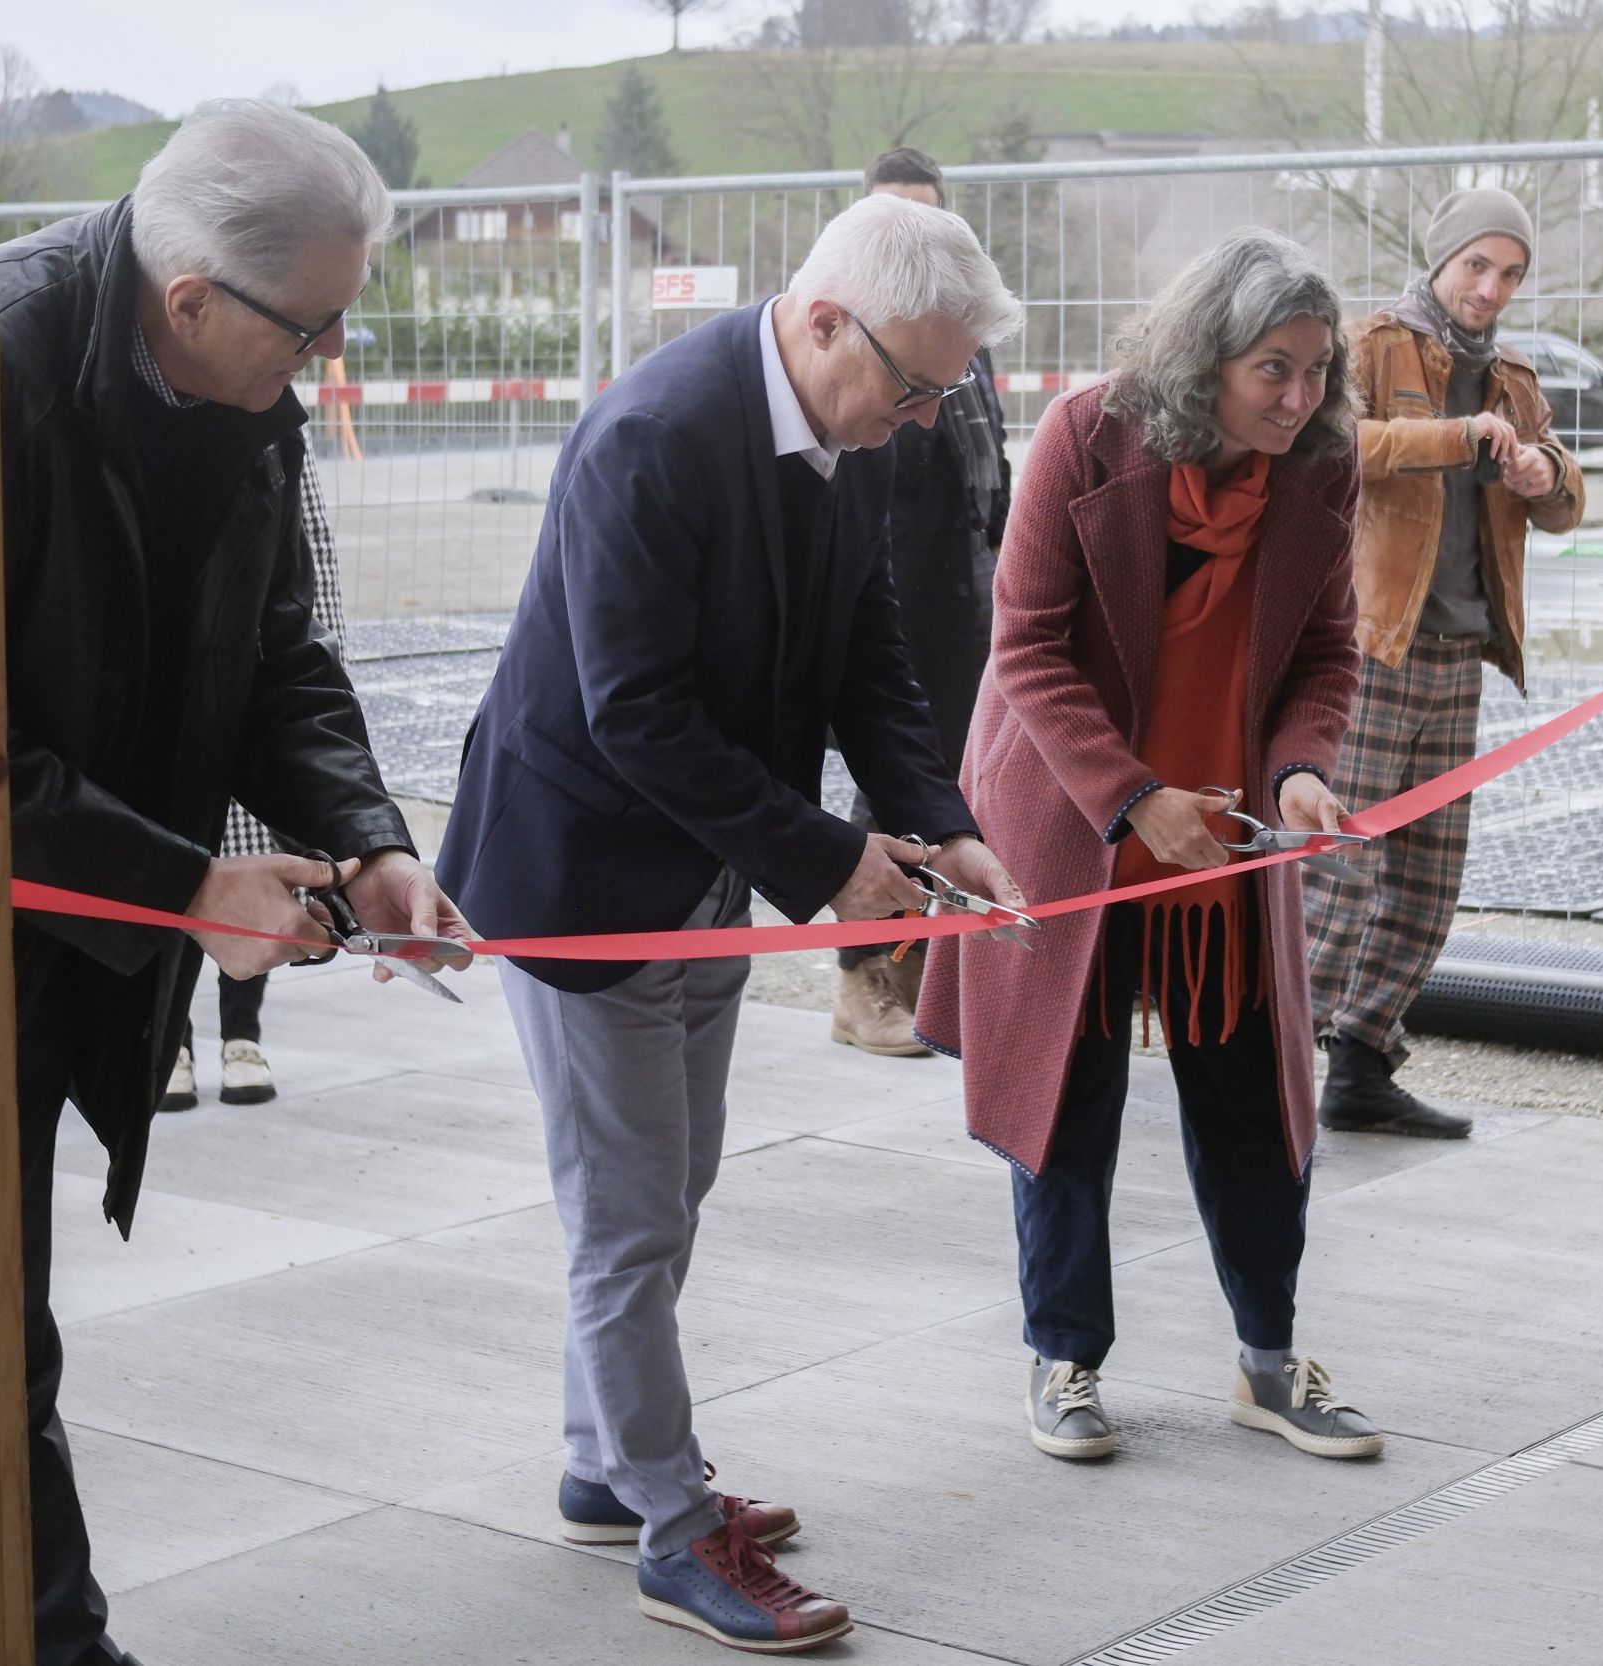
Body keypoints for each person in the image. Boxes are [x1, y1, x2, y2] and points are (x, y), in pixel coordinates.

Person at [434, 193, 1026, 1653]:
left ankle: (605, 1458)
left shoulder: (853, 434)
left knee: (670, 1180)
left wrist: (939, 819)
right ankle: (671, 1526)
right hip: (584, 878)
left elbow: (866, 653)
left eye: (945, 389)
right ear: (825, 318)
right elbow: (633, 709)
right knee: (627, 1216)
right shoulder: (653, 438)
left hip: (706, 867)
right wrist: (831, 862)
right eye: (911, 382)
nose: (923, 414)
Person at [0, 100, 471, 1666]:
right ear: (190, 298)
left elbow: (283, 654)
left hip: (87, 930)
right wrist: (184, 880)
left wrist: (374, 838)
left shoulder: (239, 393)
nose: (325, 364)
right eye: (313, 329)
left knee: (0, 1325)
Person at [916, 230, 1382, 1466]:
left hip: (1222, 843)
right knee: (1067, 1102)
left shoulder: (1318, 470)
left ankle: (1271, 1363)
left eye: (1316, 371)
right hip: (1076, 824)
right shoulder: (1086, 433)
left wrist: (1297, 772)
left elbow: (1326, 655)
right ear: (1206, 359)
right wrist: (1129, 799)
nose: (1299, 399)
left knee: (1252, 1099)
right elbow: (1022, 646)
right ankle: (1062, 1357)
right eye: (1272, 370)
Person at [1302, 188, 1587, 1139]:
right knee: (1337, 872)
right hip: (1375, 645)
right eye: (1478, 265)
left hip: (1461, 652)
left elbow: (1559, 492)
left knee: (1428, 882)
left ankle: (1362, 1068)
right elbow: (1334, 445)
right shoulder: (1376, 343)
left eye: (1510, 273)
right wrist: (1456, 439)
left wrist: (1547, 472)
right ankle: (1258, 1067)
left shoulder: (1511, 372)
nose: (1491, 288)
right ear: (1441, 261)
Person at [828, 146, 1014, 1056]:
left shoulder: (964, 355)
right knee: (892, 796)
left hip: (971, 613)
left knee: (951, 796)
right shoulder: (868, 361)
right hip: (903, 617)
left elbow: (993, 483)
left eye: (933, 222)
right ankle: (865, 984)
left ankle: (921, 975)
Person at [161, 506, 352, 1111]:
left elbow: (311, 542)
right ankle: (172, 1043)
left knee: (252, 863)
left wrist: (329, 654)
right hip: (158, 682)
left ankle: (243, 1035)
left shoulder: (277, 431)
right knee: (168, 867)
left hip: (244, 673)